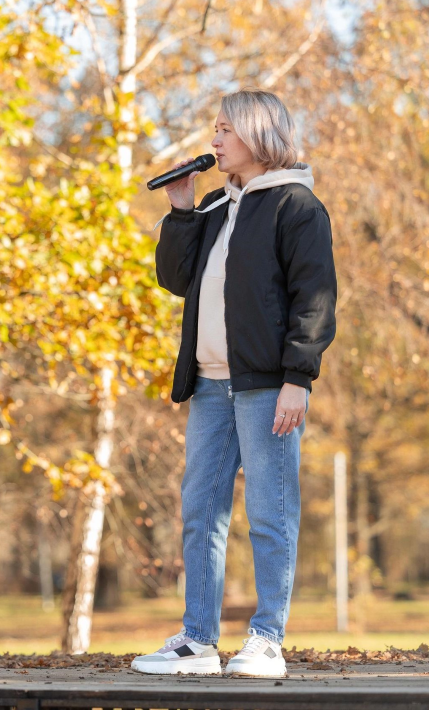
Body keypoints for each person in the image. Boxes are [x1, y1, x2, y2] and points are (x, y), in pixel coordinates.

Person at [131, 89, 336, 678]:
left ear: (258, 134)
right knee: (200, 511)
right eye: (214, 131)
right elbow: (176, 279)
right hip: (211, 387)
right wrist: (179, 211)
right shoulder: (219, 204)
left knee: (270, 514)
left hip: (269, 386)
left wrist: (298, 378)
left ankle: (267, 640)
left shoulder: (297, 206)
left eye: (224, 130)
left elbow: (315, 299)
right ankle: (198, 641)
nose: (213, 141)